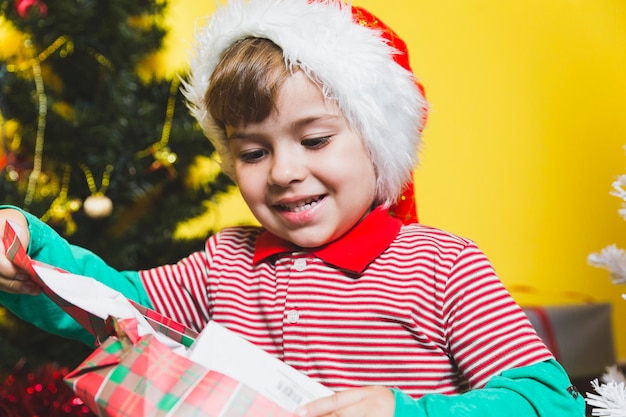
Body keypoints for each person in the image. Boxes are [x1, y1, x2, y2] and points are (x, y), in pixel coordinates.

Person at [0, 0, 585, 416]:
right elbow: (110, 304)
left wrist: (404, 411)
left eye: (314, 140)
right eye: (253, 151)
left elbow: (546, 398)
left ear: (376, 144)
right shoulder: (224, 262)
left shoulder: (441, 265)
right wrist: (29, 246)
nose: (283, 172)